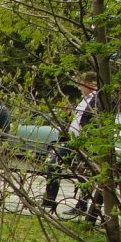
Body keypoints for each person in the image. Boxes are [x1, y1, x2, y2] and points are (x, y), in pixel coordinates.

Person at [43, 72, 100, 220]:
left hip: (84, 143)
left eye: (82, 84)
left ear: (90, 84)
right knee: (53, 165)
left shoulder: (97, 101)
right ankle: (49, 200)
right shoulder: (84, 100)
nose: (80, 87)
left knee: (84, 174)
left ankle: (81, 205)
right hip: (71, 142)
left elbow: (92, 122)